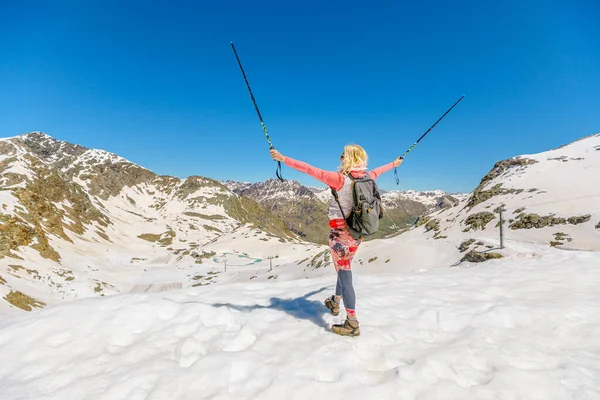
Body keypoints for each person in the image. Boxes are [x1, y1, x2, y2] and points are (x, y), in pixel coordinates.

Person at [270, 145, 403, 336]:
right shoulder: (367, 177)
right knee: (343, 268)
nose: (340, 158)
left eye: (343, 155)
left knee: (345, 274)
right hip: (357, 233)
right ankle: (335, 301)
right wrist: (395, 163)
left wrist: (283, 158)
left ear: (347, 159)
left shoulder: (339, 179)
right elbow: (380, 170)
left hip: (339, 234)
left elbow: (308, 169)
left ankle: (352, 322)